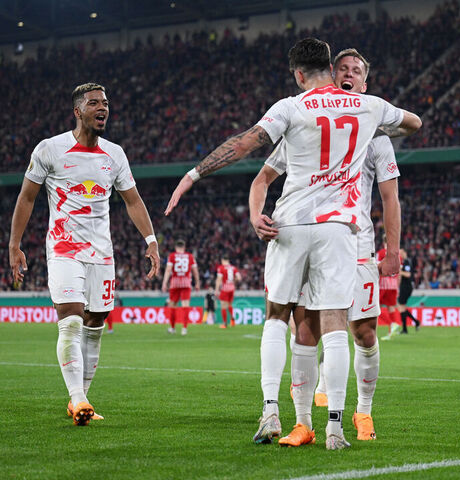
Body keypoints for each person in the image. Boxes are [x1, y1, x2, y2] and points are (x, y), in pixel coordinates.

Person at [166, 37, 421, 449]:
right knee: (334, 324)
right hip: (339, 229)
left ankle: (271, 408)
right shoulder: (369, 108)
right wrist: (385, 117)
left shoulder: (291, 106)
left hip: (290, 224)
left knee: (277, 316)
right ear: (331, 69)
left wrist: (194, 174)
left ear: (299, 74)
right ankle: (335, 425)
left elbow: (244, 144)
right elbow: (414, 123)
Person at [250, 47, 403, 444]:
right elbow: (264, 175)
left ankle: (362, 413)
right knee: (306, 329)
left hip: (359, 245)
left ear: (365, 86)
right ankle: (305, 423)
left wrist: (393, 251)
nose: (349, 73)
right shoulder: (310, 123)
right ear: (332, 76)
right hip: (318, 235)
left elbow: (390, 199)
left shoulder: (376, 137)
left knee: (364, 332)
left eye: (357, 71)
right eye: (343, 69)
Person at [8, 83, 160, 426]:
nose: (102, 107)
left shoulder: (114, 154)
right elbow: (27, 197)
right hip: (64, 248)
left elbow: (133, 200)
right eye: (94, 103)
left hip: (102, 253)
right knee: (73, 318)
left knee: (95, 323)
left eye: (105, 102)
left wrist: (150, 239)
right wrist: (14, 244)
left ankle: (82, 399)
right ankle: (77, 398)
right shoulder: (50, 149)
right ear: (78, 111)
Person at [162, 238, 200, 335]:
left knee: (173, 306)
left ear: (176, 247)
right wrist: (197, 282)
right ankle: (184, 329)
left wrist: (164, 282)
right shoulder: (190, 256)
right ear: (184, 247)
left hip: (174, 283)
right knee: (185, 306)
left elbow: (168, 270)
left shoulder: (172, 256)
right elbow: (195, 271)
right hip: (186, 282)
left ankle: (173, 328)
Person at [377, 237, 401, 340]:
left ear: (383, 242)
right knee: (390, 306)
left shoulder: (381, 253)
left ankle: (391, 323)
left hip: (383, 284)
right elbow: (399, 272)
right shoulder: (396, 254)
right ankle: (392, 330)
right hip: (393, 284)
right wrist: (397, 286)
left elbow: (377, 268)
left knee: (374, 306)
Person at [215, 255, 241, 328]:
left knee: (223, 306)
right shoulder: (233, 268)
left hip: (225, 289)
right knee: (229, 305)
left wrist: (217, 290)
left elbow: (219, 279)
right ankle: (232, 320)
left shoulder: (221, 268)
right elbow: (239, 278)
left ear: (222, 260)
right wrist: (233, 281)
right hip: (232, 288)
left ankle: (224, 323)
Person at [398, 248, 419, 333]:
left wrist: (399, 272)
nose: (400, 254)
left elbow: (408, 274)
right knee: (402, 307)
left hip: (406, 287)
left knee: (401, 307)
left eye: (401, 252)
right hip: (405, 287)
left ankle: (406, 328)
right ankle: (413, 324)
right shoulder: (405, 262)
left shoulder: (406, 262)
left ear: (405, 252)